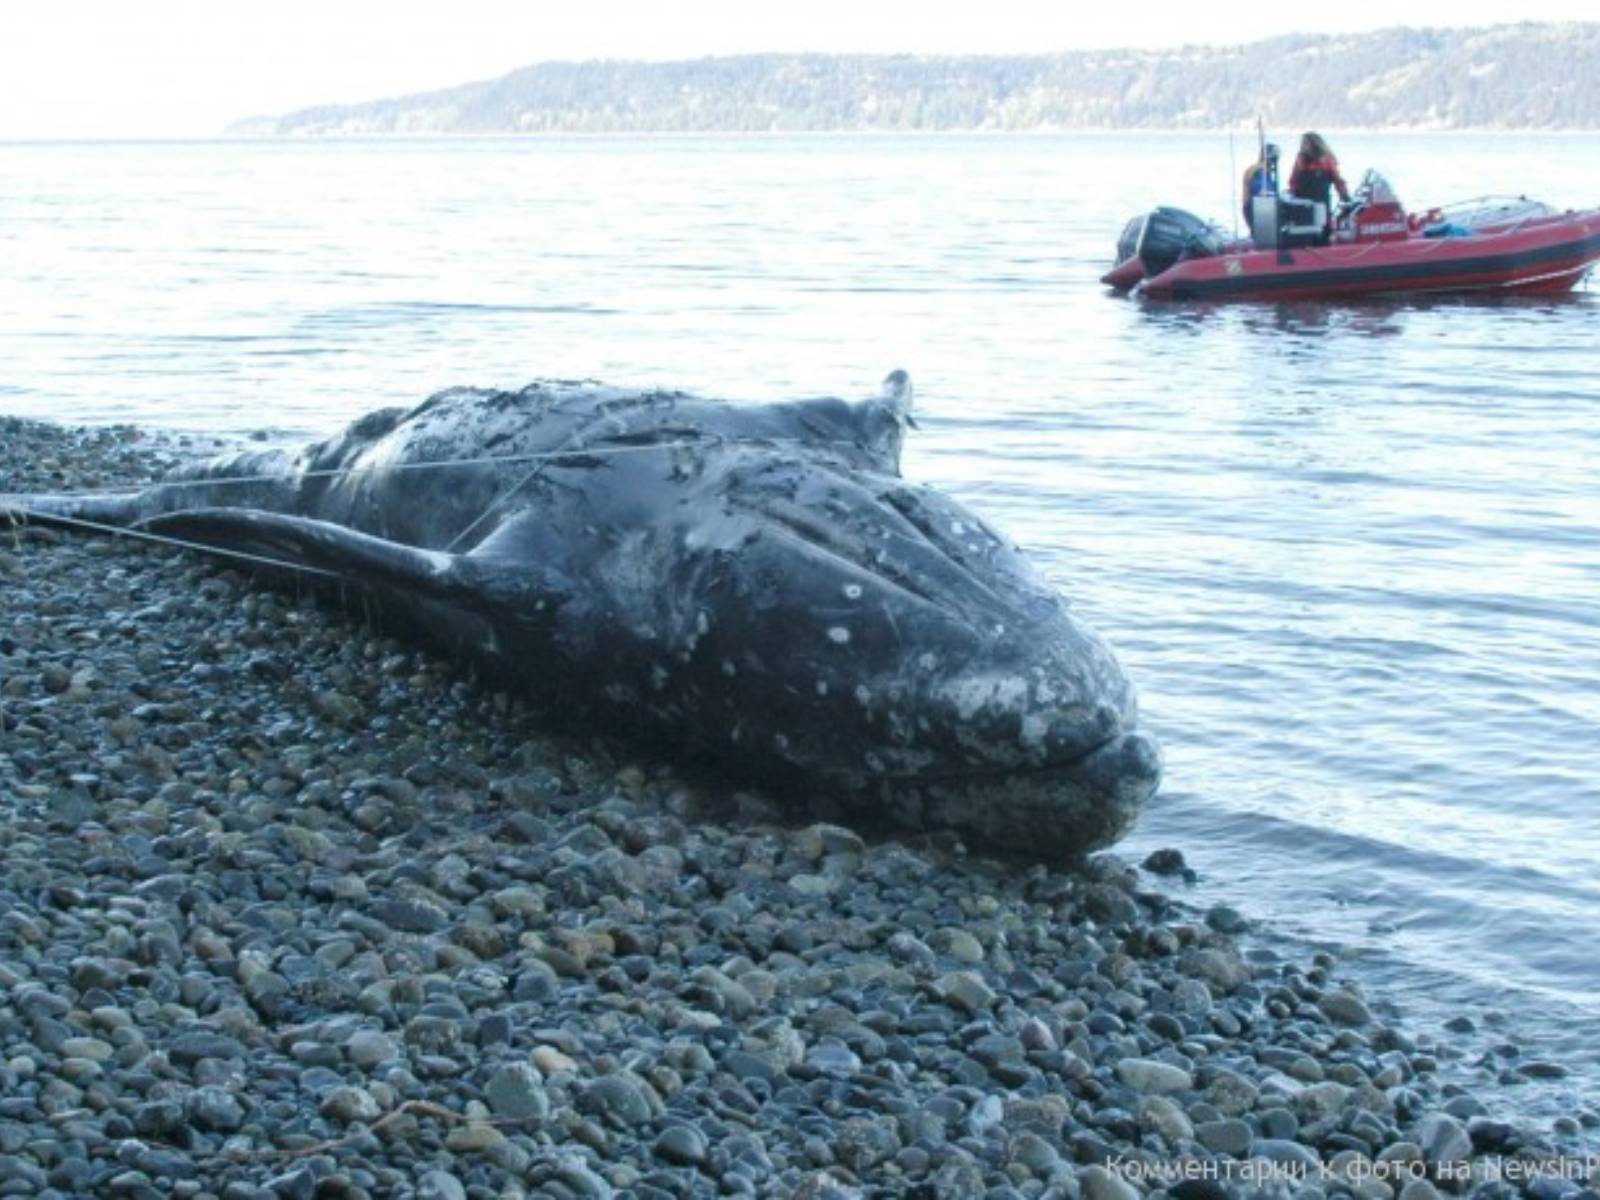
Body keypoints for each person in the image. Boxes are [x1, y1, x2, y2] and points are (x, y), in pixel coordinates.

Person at [1288, 132, 1350, 210]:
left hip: (1320, 202)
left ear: (1315, 144)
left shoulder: (1327, 160)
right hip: (1301, 202)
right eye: (1303, 143)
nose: (1303, 146)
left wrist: (1344, 195)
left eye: (1306, 143)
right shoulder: (1300, 159)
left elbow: (1338, 180)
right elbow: (1293, 179)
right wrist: (1293, 193)